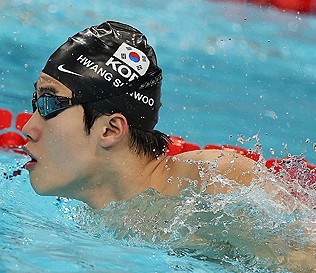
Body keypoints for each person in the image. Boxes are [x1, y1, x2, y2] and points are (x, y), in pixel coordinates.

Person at [22, 21, 261, 210]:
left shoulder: (216, 182)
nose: (28, 129)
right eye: (36, 102)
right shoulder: (103, 225)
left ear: (111, 130)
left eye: (49, 103)